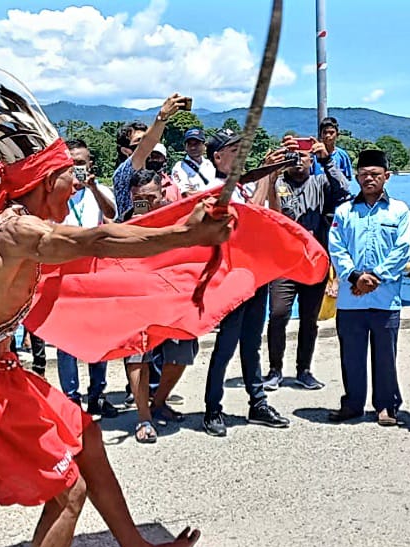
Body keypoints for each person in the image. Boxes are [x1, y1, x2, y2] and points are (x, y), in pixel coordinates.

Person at [0, 85, 228, 547]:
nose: (79, 184)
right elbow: (96, 240)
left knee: (84, 433)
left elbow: (87, 243)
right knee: (69, 493)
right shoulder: (18, 230)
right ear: (48, 181)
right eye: (72, 175)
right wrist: (182, 235)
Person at [201, 128, 290, 438]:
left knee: (252, 343)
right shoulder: (215, 189)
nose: (241, 155)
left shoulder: (239, 187)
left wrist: (272, 179)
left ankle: (258, 401)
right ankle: (213, 407)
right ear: (218, 157)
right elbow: (248, 217)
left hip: (253, 273)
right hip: (229, 278)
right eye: (234, 150)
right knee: (226, 345)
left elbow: (272, 215)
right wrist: (266, 175)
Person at [326, 149, 410, 425]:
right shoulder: (345, 210)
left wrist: (374, 276)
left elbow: (402, 249)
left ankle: (387, 406)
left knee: (385, 356)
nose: (369, 179)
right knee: (351, 355)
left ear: (386, 176)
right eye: (363, 175)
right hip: (351, 299)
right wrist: (354, 277)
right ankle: (352, 403)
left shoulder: (399, 211)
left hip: (385, 297)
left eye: (375, 174)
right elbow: (336, 248)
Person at [263, 135, 352, 392]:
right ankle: (275, 369)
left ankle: (304, 369)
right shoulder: (277, 183)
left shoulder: (321, 181)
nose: (298, 161)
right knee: (278, 314)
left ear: (310, 158)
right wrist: (271, 170)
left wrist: (327, 161)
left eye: (303, 156)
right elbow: (270, 210)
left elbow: (344, 191)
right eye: (293, 156)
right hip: (283, 264)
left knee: (309, 319)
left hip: (314, 262)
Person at [123, 169, 197, 443]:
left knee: (182, 352)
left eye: (150, 197)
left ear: (162, 193)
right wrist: (135, 222)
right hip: (137, 298)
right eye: (138, 198)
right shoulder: (128, 221)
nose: (145, 202)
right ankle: (144, 417)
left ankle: (159, 402)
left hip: (173, 296)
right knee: (136, 355)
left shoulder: (177, 215)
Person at [55, 139, 117, 418]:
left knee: (99, 338)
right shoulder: (54, 194)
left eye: (81, 163)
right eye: (71, 164)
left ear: (90, 164)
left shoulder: (99, 190)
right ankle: (70, 398)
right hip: (64, 276)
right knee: (66, 342)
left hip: (95, 275)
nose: (76, 168)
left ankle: (97, 395)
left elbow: (112, 214)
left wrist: (92, 187)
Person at [112, 95, 188, 219]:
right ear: (125, 150)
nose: (147, 146)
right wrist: (162, 116)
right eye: (138, 141)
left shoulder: (153, 175)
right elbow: (147, 143)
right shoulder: (123, 175)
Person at [170, 128, 215, 194]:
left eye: (196, 144)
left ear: (204, 145)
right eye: (189, 144)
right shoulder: (179, 168)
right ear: (185, 147)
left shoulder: (211, 165)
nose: (193, 147)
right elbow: (187, 193)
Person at [311, 117, 353, 182]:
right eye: (325, 132)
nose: (328, 135)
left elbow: (348, 179)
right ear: (320, 135)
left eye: (331, 132)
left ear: (337, 135)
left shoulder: (342, 156)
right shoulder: (314, 156)